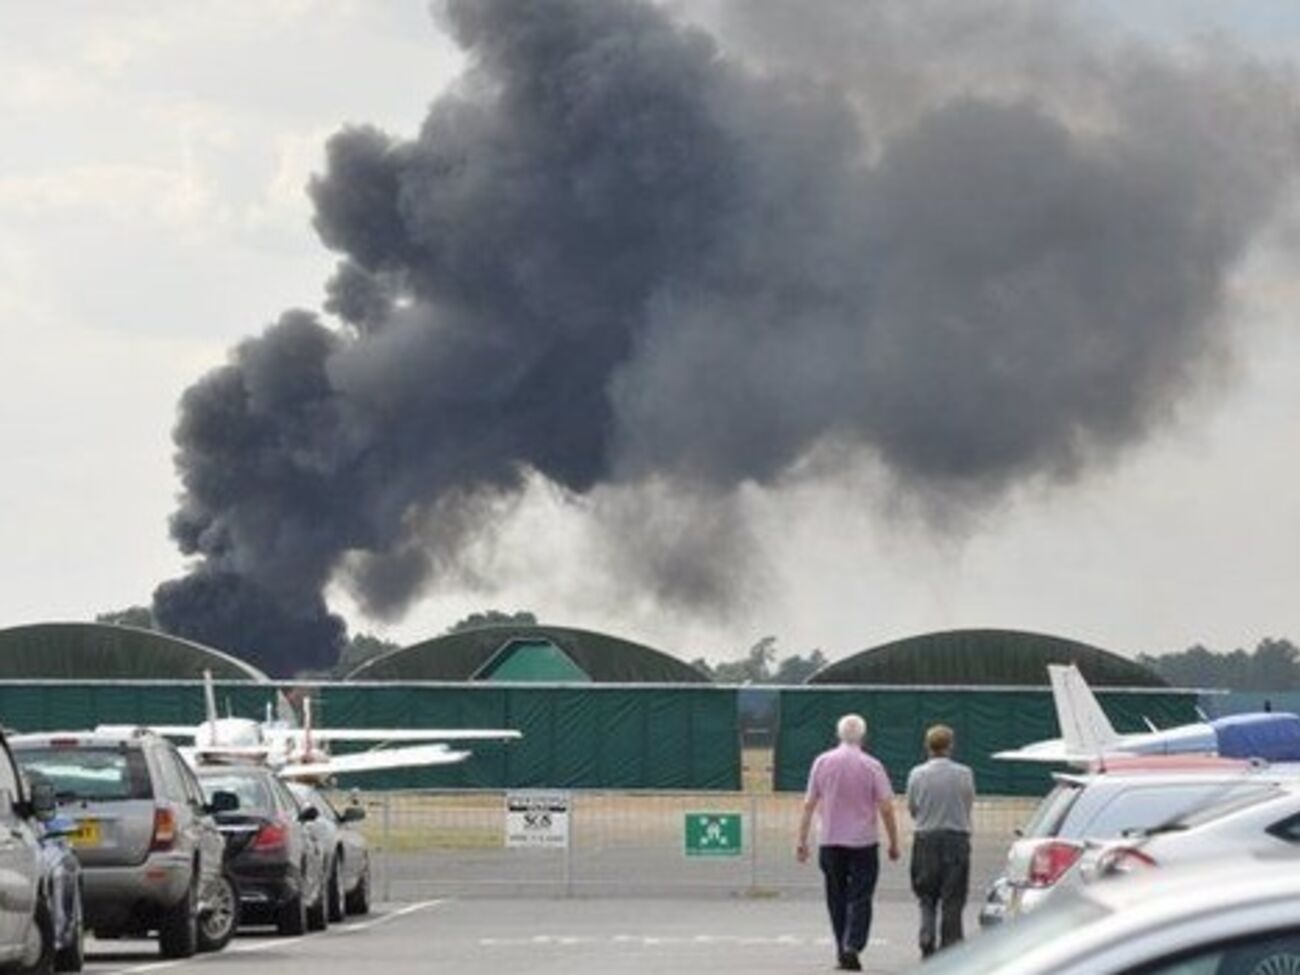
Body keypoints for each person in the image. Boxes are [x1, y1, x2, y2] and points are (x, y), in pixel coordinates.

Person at [797, 713, 900, 972]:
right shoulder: (872, 765)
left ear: (838, 734)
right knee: (861, 896)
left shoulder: (822, 762)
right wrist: (893, 841)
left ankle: (841, 948)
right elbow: (886, 807)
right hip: (863, 841)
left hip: (830, 839)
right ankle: (852, 944)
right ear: (863, 736)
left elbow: (809, 803)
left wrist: (802, 839)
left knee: (836, 896)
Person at [906, 724, 975, 958]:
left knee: (926, 894)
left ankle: (926, 936)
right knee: (953, 896)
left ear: (927, 746)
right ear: (950, 746)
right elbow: (968, 802)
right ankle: (951, 944)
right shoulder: (964, 773)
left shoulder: (917, 774)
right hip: (955, 837)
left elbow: (913, 807)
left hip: (925, 838)